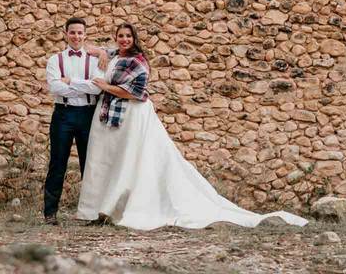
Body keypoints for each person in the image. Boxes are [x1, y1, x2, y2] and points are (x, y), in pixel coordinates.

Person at [77, 22, 308, 230]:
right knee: (112, 160)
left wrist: (104, 86)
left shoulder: (139, 62)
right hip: (111, 114)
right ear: (115, 38)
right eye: (120, 36)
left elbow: (136, 94)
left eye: (128, 36)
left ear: (135, 39)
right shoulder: (115, 54)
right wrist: (99, 51)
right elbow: (88, 47)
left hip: (132, 114)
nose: (124, 39)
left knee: (133, 160)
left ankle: (127, 206)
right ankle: (105, 208)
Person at [42, 17, 105, 225]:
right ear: (65, 34)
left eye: (80, 32)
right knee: (57, 163)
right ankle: (50, 213)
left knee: (90, 164)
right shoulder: (55, 60)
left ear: (85, 35)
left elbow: (97, 88)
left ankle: (92, 214)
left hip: (88, 114)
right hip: (63, 114)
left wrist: (70, 82)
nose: (76, 36)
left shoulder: (95, 61)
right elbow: (55, 88)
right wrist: (83, 85)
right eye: (72, 32)